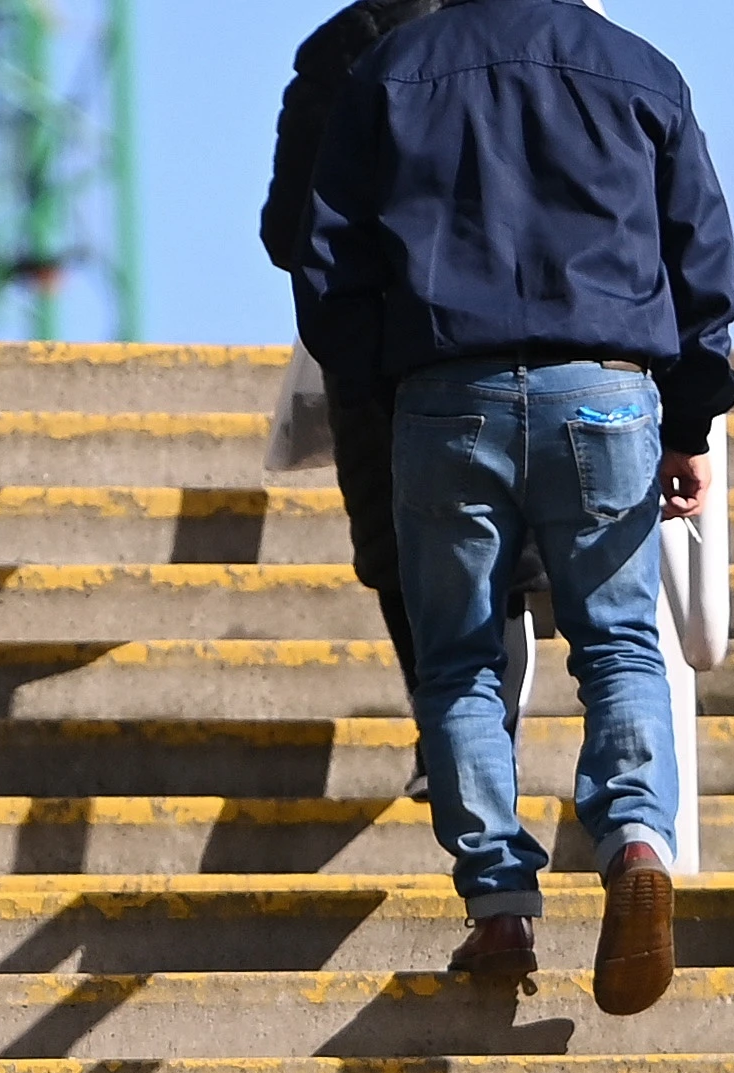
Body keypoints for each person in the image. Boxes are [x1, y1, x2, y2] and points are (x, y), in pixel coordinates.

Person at [294, 0, 734, 1012]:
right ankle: (635, 837)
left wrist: (382, 381)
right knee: (620, 645)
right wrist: (691, 420)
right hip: (605, 390)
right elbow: (701, 259)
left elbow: (325, 257)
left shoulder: (394, 69)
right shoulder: (637, 67)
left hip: (445, 394)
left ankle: (499, 905)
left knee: (458, 658)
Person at [263, 0, 460, 687]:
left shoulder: (336, 54)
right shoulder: (551, 44)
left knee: (400, 544)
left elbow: (287, 229)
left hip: (376, 351)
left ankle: (441, 740)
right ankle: (492, 724)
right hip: (507, 344)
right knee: (500, 551)